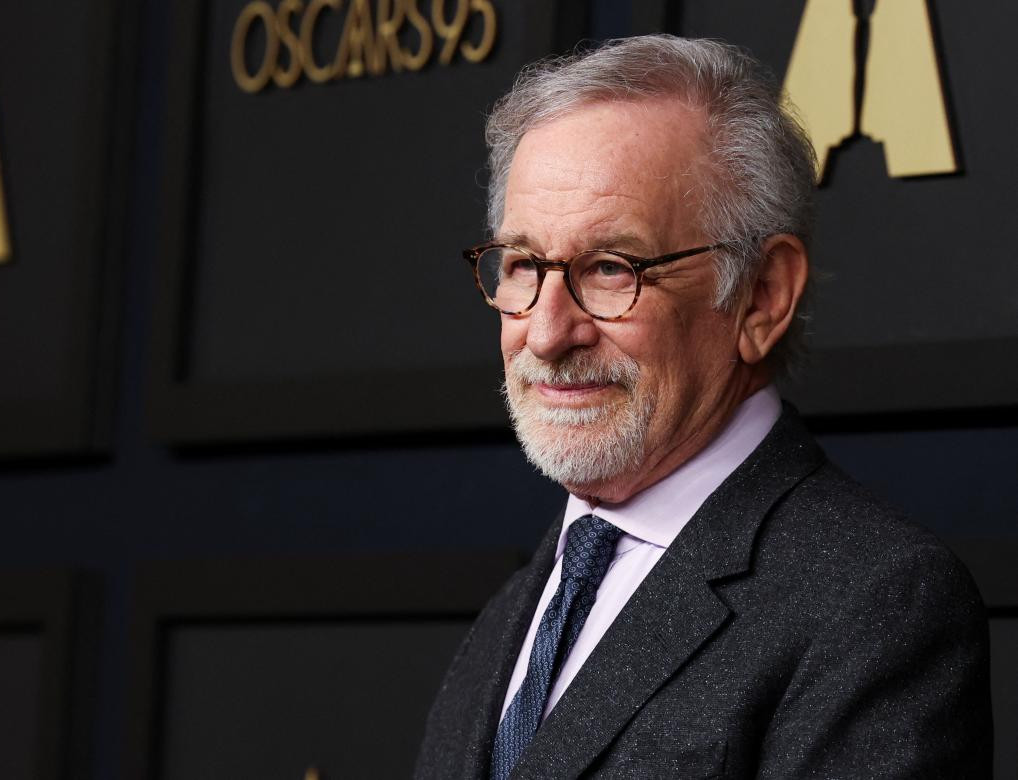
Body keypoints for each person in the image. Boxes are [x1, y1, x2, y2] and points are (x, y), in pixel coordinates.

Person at [415, 35, 991, 779]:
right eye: (524, 265)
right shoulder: (514, 613)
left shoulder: (878, 607)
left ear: (761, 296)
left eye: (611, 268)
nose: (548, 332)